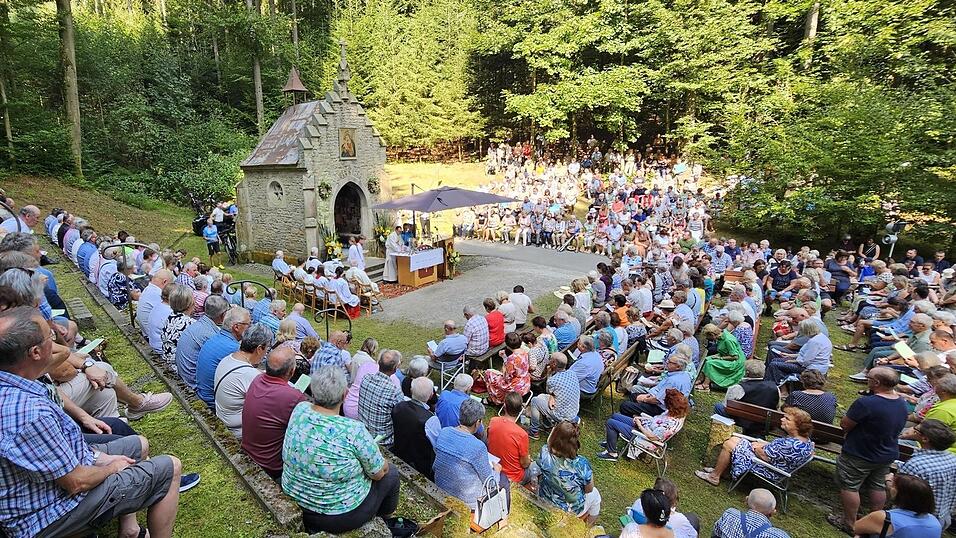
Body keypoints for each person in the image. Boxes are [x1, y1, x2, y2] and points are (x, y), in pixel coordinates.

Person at [0, 307, 183, 538]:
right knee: (170, 467)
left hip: (54, 481)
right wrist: (111, 467)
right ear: (35, 352)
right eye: (50, 336)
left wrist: (99, 458)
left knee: (139, 444)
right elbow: (76, 482)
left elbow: (60, 454)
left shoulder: (16, 380)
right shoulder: (30, 413)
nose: (56, 340)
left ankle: (130, 530)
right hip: (48, 513)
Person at [282, 365, 399, 534]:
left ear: (313, 392)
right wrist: (383, 463)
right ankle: (385, 519)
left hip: (294, 496)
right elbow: (378, 473)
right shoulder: (353, 429)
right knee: (392, 474)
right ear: (345, 394)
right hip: (337, 515)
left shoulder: (300, 409)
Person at [829, 367, 909, 533]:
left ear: (877, 382)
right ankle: (875, 523)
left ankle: (850, 524)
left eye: (869, 377)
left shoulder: (866, 403)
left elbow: (845, 424)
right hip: (886, 454)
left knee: (850, 486)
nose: (867, 378)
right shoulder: (901, 403)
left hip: (860, 452)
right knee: (878, 487)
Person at [696, 407, 814, 487]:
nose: (782, 419)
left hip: (767, 468)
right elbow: (777, 452)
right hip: (776, 466)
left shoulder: (790, 445)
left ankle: (714, 476)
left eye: (787, 419)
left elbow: (764, 456)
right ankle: (723, 472)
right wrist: (762, 445)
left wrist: (756, 447)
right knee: (735, 440)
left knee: (729, 444)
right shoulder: (804, 442)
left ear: (798, 425)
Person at [241, 346, 307, 481]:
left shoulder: (257, 380)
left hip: (248, 453)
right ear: (292, 371)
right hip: (272, 467)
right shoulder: (294, 397)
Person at [433, 399, 502, 511]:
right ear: (478, 422)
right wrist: (497, 471)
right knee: (503, 480)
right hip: (468, 501)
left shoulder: (444, 432)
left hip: (441, 486)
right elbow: (491, 484)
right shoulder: (477, 447)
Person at [537, 421, 602, 525]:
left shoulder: (544, 453)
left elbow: (549, 442)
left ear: (554, 434)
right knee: (595, 495)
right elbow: (589, 489)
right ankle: (586, 529)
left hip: (545, 499)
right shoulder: (582, 464)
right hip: (569, 510)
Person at [598, 388, 688, 461]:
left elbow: (652, 437)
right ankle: (610, 442)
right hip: (644, 426)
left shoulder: (669, 425)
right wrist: (641, 418)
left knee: (611, 423)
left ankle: (612, 453)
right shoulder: (672, 413)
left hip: (643, 437)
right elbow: (655, 421)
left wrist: (640, 425)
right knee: (615, 416)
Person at [897, 419, 956, 530]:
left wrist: (889, 480)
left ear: (925, 439)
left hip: (914, 521)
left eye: (915, 429)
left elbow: (900, 496)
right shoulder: (953, 459)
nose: (911, 429)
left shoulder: (916, 465)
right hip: (942, 517)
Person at [213, 323, 270, 438]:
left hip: (223, 419)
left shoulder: (227, 359)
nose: (266, 354)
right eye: (267, 349)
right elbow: (270, 403)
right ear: (259, 349)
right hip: (238, 432)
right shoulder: (249, 374)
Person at [852, 473, 942, 538]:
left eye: (894, 486)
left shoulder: (884, 517)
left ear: (900, 494)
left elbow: (855, 528)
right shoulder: (935, 523)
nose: (891, 487)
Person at [196, 306, 250, 408]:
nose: (250, 328)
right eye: (248, 324)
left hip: (202, 394)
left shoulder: (216, 337)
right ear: (236, 327)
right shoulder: (234, 349)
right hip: (213, 402)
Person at [175, 295, 229, 391]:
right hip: (194, 385)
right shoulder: (211, 335)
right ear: (223, 315)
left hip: (185, 378)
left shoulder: (199, 324)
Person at [391, 377, 440, 479]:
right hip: (421, 464)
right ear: (431, 395)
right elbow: (437, 445)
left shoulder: (399, 405)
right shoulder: (431, 420)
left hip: (400, 452)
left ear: (411, 390)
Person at [714, 360, 779, 436]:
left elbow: (726, 406)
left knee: (719, 407)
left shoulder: (738, 388)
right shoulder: (775, 388)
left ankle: (723, 433)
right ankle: (755, 434)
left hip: (741, 420)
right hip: (763, 423)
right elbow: (777, 406)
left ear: (747, 373)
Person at [357, 349, 404, 447]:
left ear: (378, 363)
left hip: (363, 433)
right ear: (395, 368)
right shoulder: (394, 391)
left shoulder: (366, 378)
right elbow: (401, 415)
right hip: (383, 441)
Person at [488, 391, 536, 486]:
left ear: (504, 406)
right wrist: (529, 460)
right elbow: (525, 464)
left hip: (494, 466)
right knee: (536, 467)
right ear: (520, 409)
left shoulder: (493, 421)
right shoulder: (522, 434)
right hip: (513, 476)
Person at [764, 319, 832, 385]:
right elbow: (805, 354)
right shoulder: (820, 337)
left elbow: (805, 361)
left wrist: (792, 361)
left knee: (774, 364)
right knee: (775, 360)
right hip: (809, 365)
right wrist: (789, 355)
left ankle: (771, 385)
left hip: (812, 369)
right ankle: (772, 382)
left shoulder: (815, 341)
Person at [620, 356, 693, 417]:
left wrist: (644, 399)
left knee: (625, 406)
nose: (667, 362)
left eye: (670, 362)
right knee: (633, 396)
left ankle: (634, 422)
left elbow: (657, 400)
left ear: (678, 367)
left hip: (661, 409)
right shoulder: (685, 375)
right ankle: (635, 414)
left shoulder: (673, 381)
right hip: (662, 402)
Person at [627, 478, 699, 538]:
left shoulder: (639, 502)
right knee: (693, 518)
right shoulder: (680, 520)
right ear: (672, 502)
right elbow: (693, 535)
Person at [712, 489, 791, 538]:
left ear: (746, 500)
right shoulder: (780, 536)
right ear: (773, 511)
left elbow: (716, 534)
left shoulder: (730, 514)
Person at [482, 331, 531, 405]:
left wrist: (504, 361)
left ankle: (496, 399)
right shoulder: (524, 352)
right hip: (525, 382)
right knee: (494, 374)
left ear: (507, 345)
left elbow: (507, 378)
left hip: (515, 386)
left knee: (488, 373)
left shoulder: (512, 358)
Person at [696, 323, 746, 391]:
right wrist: (716, 356)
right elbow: (724, 351)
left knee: (710, 363)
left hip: (736, 363)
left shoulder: (728, 340)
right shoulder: (720, 337)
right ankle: (701, 379)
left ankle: (705, 385)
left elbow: (735, 356)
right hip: (726, 356)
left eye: (707, 336)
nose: (707, 338)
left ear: (712, 334)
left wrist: (720, 358)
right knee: (706, 359)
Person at [161, 284, 195, 369]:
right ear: (189, 304)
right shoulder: (190, 323)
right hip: (179, 368)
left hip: (167, 361)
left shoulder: (170, 317)